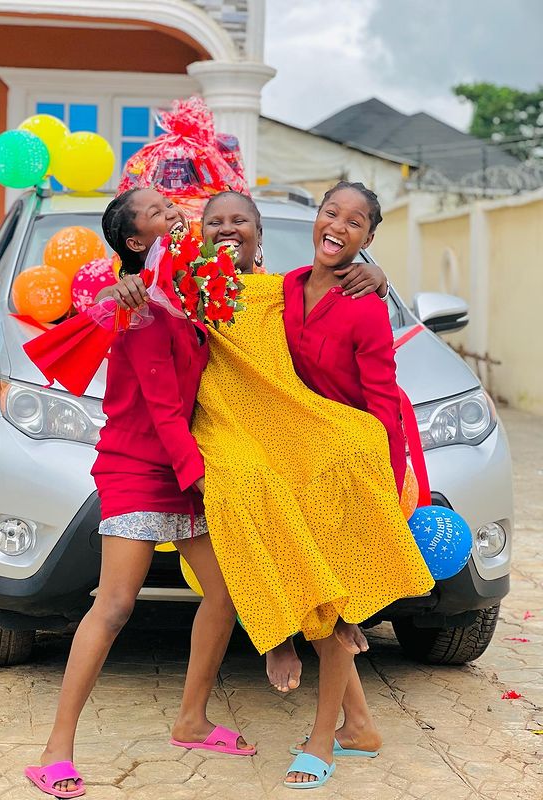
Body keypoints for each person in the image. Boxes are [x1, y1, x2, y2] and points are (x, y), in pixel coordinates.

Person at [186, 182, 434, 787]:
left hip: (341, 452)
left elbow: (381, 398)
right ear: (315, 220)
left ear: (368, 239)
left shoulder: (364, 300)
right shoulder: (285, 287)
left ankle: (322, 742)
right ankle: (358, 726)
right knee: (325, 587)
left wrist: (389, 476)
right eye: (332, 213)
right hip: (290, 447)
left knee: (337, 592)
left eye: (356, 223)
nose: (340, 226)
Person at [105, 190, 388, 697]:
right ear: (199, 233)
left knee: (339, 456)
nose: (228, 228)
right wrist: (124, 283)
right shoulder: (183, 288)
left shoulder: (282, 290)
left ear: (260, 233)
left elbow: (328, 283)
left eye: (240, 220)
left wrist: (378, 274)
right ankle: (277, 631)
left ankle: (344, 607)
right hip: (219, 425)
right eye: (215, 221)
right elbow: (126, 297)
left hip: (278, 420)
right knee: (245, 484)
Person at [25, 188, 254, 800]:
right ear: (135, 241)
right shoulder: (141, 307)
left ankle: (191, 719)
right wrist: (202, 476)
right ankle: (54, 753)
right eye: (156, 213)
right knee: (116, 606)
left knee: (225, 594)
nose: (172, 212)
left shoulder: (192, 292)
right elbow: (158, 405)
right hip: (137, 467)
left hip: (184, 466)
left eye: (169, 205)